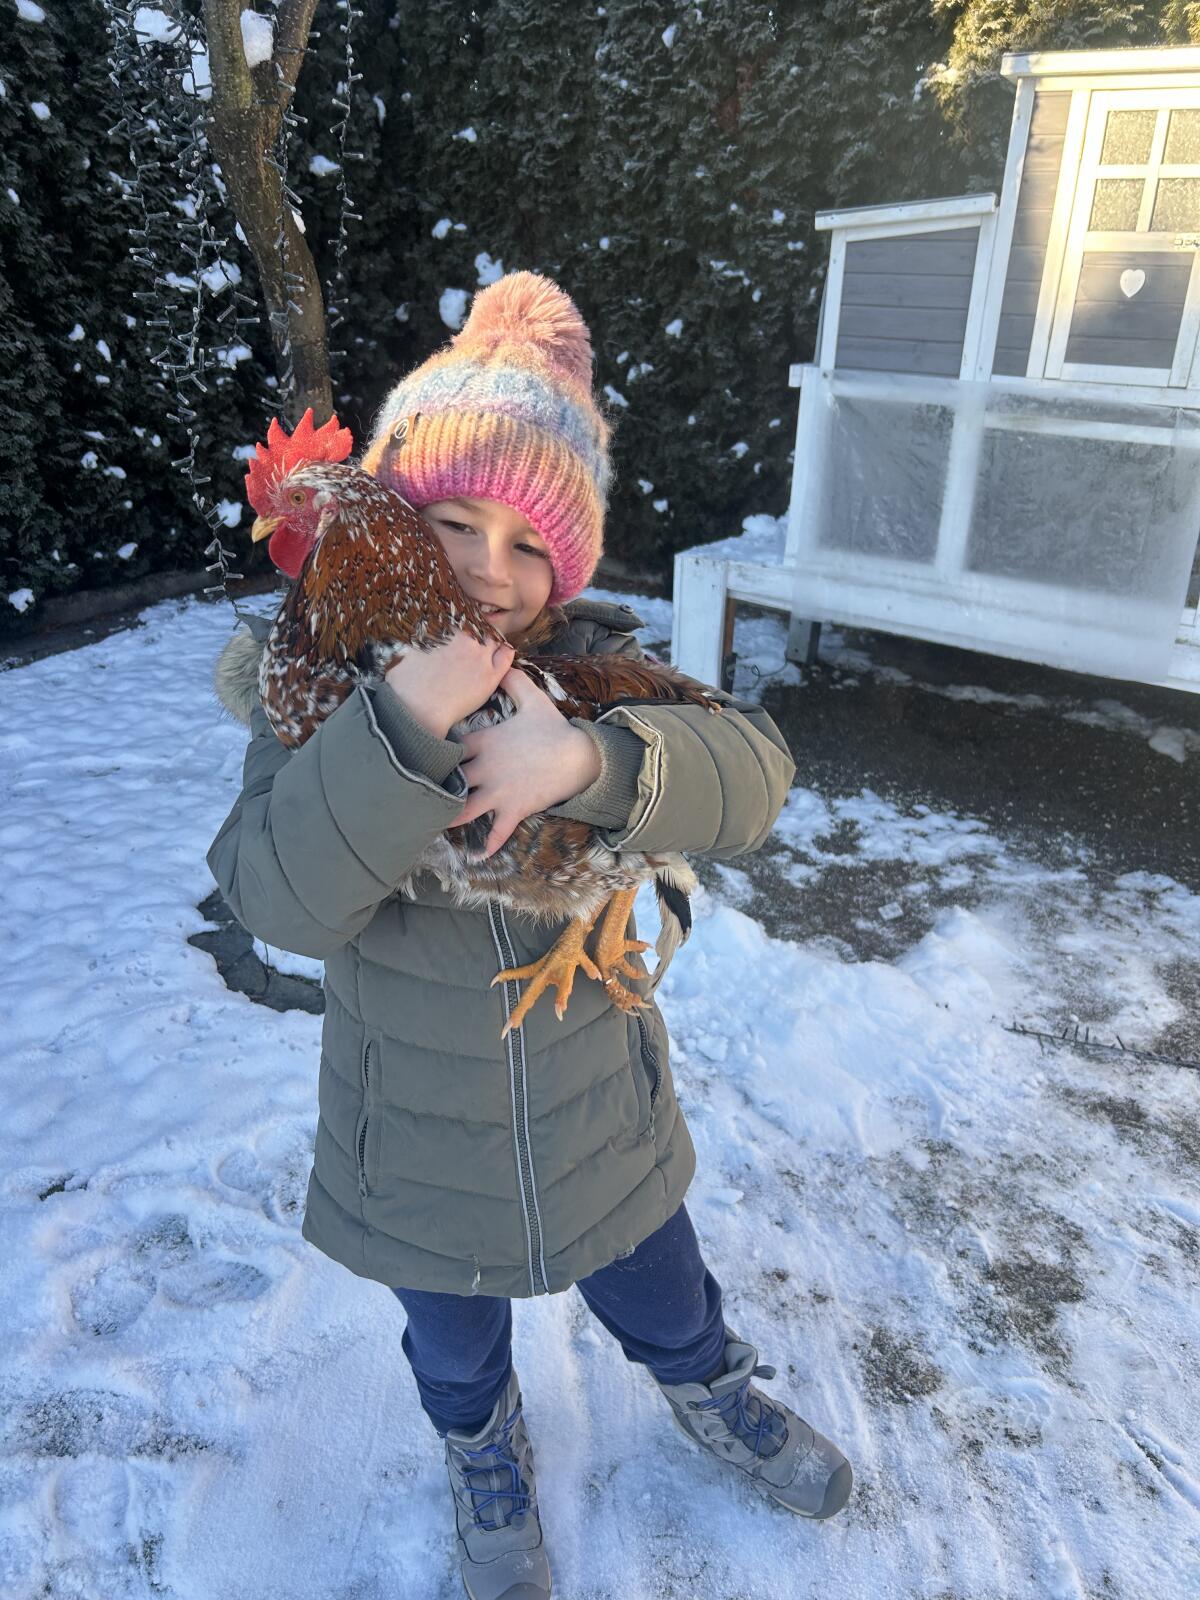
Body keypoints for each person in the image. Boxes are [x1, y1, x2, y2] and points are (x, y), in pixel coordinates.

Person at [207, 271, 852, 1600]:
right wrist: (396, 734)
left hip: (594, 1116)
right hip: (414, 1149)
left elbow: (757, 776)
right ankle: (482, 1450)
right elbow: (277, 903)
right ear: (394, 519)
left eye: (525, 542)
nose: (487, 573)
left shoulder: (592, 673)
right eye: (451, 520)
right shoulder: (315, 700)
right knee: (451, 1344)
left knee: (667, 1294)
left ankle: (710, 1386)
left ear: (570, 564)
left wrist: (591, 764)